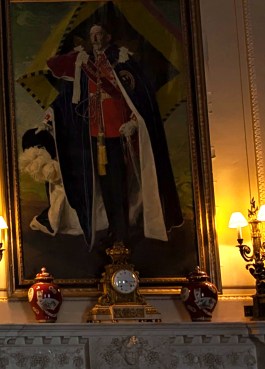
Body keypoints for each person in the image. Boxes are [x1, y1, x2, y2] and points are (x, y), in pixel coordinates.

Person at [42, 23, 183, 250]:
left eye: (99, 34)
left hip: (118, 135)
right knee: (105, 188)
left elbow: (141, 98)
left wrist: (134, 123)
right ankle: (112, 231)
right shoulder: (85, 63)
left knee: (119, 188)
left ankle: (122, 235)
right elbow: (66, 93)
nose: (95, 39)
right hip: (94, 138)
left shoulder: (122, 60)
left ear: (108, 36)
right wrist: (50, 114)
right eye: (92, 36)